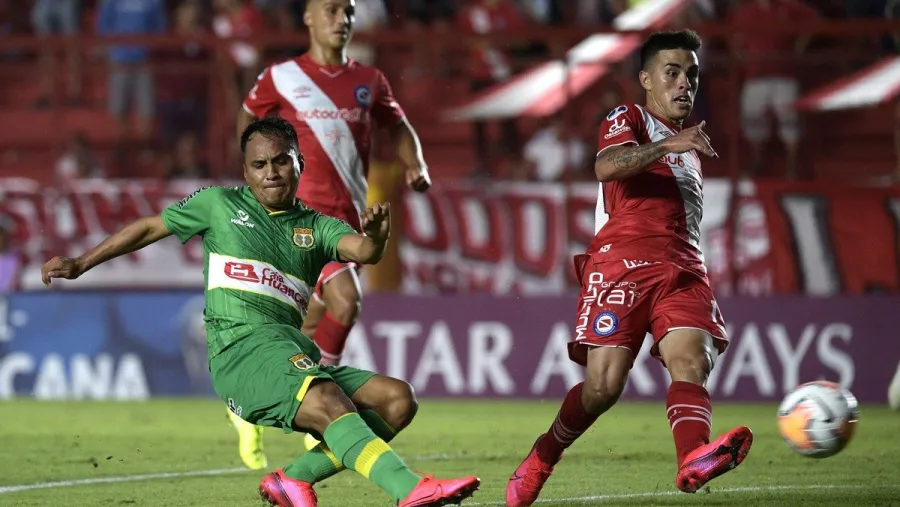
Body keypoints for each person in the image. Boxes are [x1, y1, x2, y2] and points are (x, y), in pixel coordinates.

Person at [40, 117, 480, 507]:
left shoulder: (317, 226)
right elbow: (149, 227)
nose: (271, 173)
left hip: (289, 351)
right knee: (328, 401)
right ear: (246, 171)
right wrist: (81, 263)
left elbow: (364, 249)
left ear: (299, 164)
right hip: (240, 353)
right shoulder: (218, 205)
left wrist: (379, 237)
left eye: (281, 161)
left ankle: (292, 481)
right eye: (259, 165)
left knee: (397, 400)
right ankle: (407, 489)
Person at [505, 30, 753, 507]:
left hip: (683, 266)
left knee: (692, 359)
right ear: (646, 79)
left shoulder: (690, 148)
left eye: (693, 75)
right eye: (673, 73)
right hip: (623, 263)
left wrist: (678, 147)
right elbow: (607, 167)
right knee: (603, 387)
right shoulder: (630, 116)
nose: (685, 84)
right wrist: (666, 145)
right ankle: (543, 455)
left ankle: (692, 458)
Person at [233, 0, 431, 469]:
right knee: (346, 301)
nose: (341, 18)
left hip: (348, 219)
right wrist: (257, 180)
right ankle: (322, 403)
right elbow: (247, 126)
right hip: (300, 217)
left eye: (348, 10)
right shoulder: (281, 77)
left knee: (305, 323)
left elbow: (399, 126)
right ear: (307, 18)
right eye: (330, 9)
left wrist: (415, 163)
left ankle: (248, 410)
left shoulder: (370, 81)